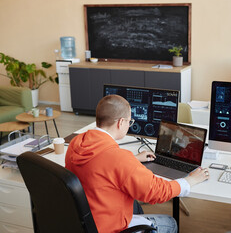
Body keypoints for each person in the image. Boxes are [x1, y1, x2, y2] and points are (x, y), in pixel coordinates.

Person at [65, 95, 209, 233]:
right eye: (129, 121)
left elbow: (101, 165)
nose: (129, 124)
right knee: (171, 223)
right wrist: (190, 181)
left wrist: (133, 159)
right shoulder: (119, 159)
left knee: (135, 206)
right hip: (111, 228)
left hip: (86, 221)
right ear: (120, 122)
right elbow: (156, 192)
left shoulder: (77, 142)